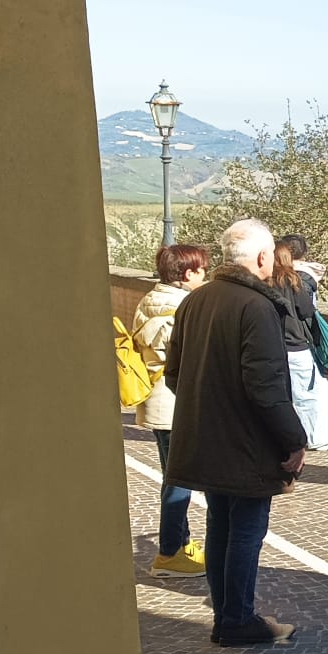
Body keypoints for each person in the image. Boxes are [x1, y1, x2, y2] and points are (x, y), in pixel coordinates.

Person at [164, 219, 311, 646]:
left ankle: (227, 616)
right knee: (245, 531)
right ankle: (236, 621)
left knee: (220, 526)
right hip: (245, 446)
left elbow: (174, 373)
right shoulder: (257, 307)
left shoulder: (195, 301)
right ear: (264, 257)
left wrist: (209, 407)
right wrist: (294, 440)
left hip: (206, 439)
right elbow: (265, 386)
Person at [134, 243, 211, 579]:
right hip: (175, 404)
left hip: (157, 402)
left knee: (173, 475)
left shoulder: (149, 300)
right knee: (179, 482)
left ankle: (181, 544)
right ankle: (168, 555)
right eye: (202, 270)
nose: (205, 275)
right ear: (188, 273)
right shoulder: (183, 308)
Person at [267, 240, 328, 452]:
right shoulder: (292, 281)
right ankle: (319, 439)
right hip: (297, 345)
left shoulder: (263, 283)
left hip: (274, 347)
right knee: (312, 394)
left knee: (286, 394)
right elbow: (306, 311)